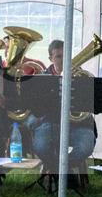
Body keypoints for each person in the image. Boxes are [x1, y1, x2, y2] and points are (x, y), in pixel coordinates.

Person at [30, 39, 97, 186]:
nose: (63, 59)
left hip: (79, 125)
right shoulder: (43, 79)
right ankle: (65, 173)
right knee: (40, 146)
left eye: (65, 55)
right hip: (50, 124)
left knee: (85, 146)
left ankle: (58, 169)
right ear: (50, 59)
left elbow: (91, 104)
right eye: (58, 56)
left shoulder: (82, 77)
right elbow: (37, 109)